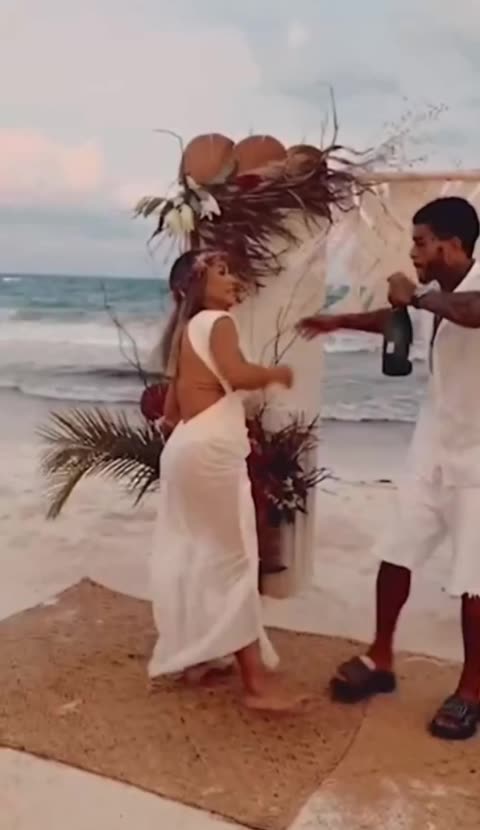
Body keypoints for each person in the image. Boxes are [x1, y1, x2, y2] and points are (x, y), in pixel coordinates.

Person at [297, 196, 480, 740]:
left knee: (474, 581)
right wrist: (337, 321)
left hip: (478, 456)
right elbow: (396, 320)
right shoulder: (435, 296)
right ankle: (380, 659)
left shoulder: (459, 294)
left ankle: (472, 690)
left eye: (421, 242)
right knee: (397, 550)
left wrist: (418, 296)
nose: (413, 252)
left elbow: (472, 312)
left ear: (451, 244)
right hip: (432, 442)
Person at [149, 248, 307, 711]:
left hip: (184, 449)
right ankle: (255, 687)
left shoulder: (185, 332)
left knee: (201, 554)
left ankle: (199, 656)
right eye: (222, 271)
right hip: (211, 453)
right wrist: (276, 373)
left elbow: (171, 412)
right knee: (234, 560)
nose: (233, 278)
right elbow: (237, 374)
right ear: (197, 285)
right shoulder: (218, 322)